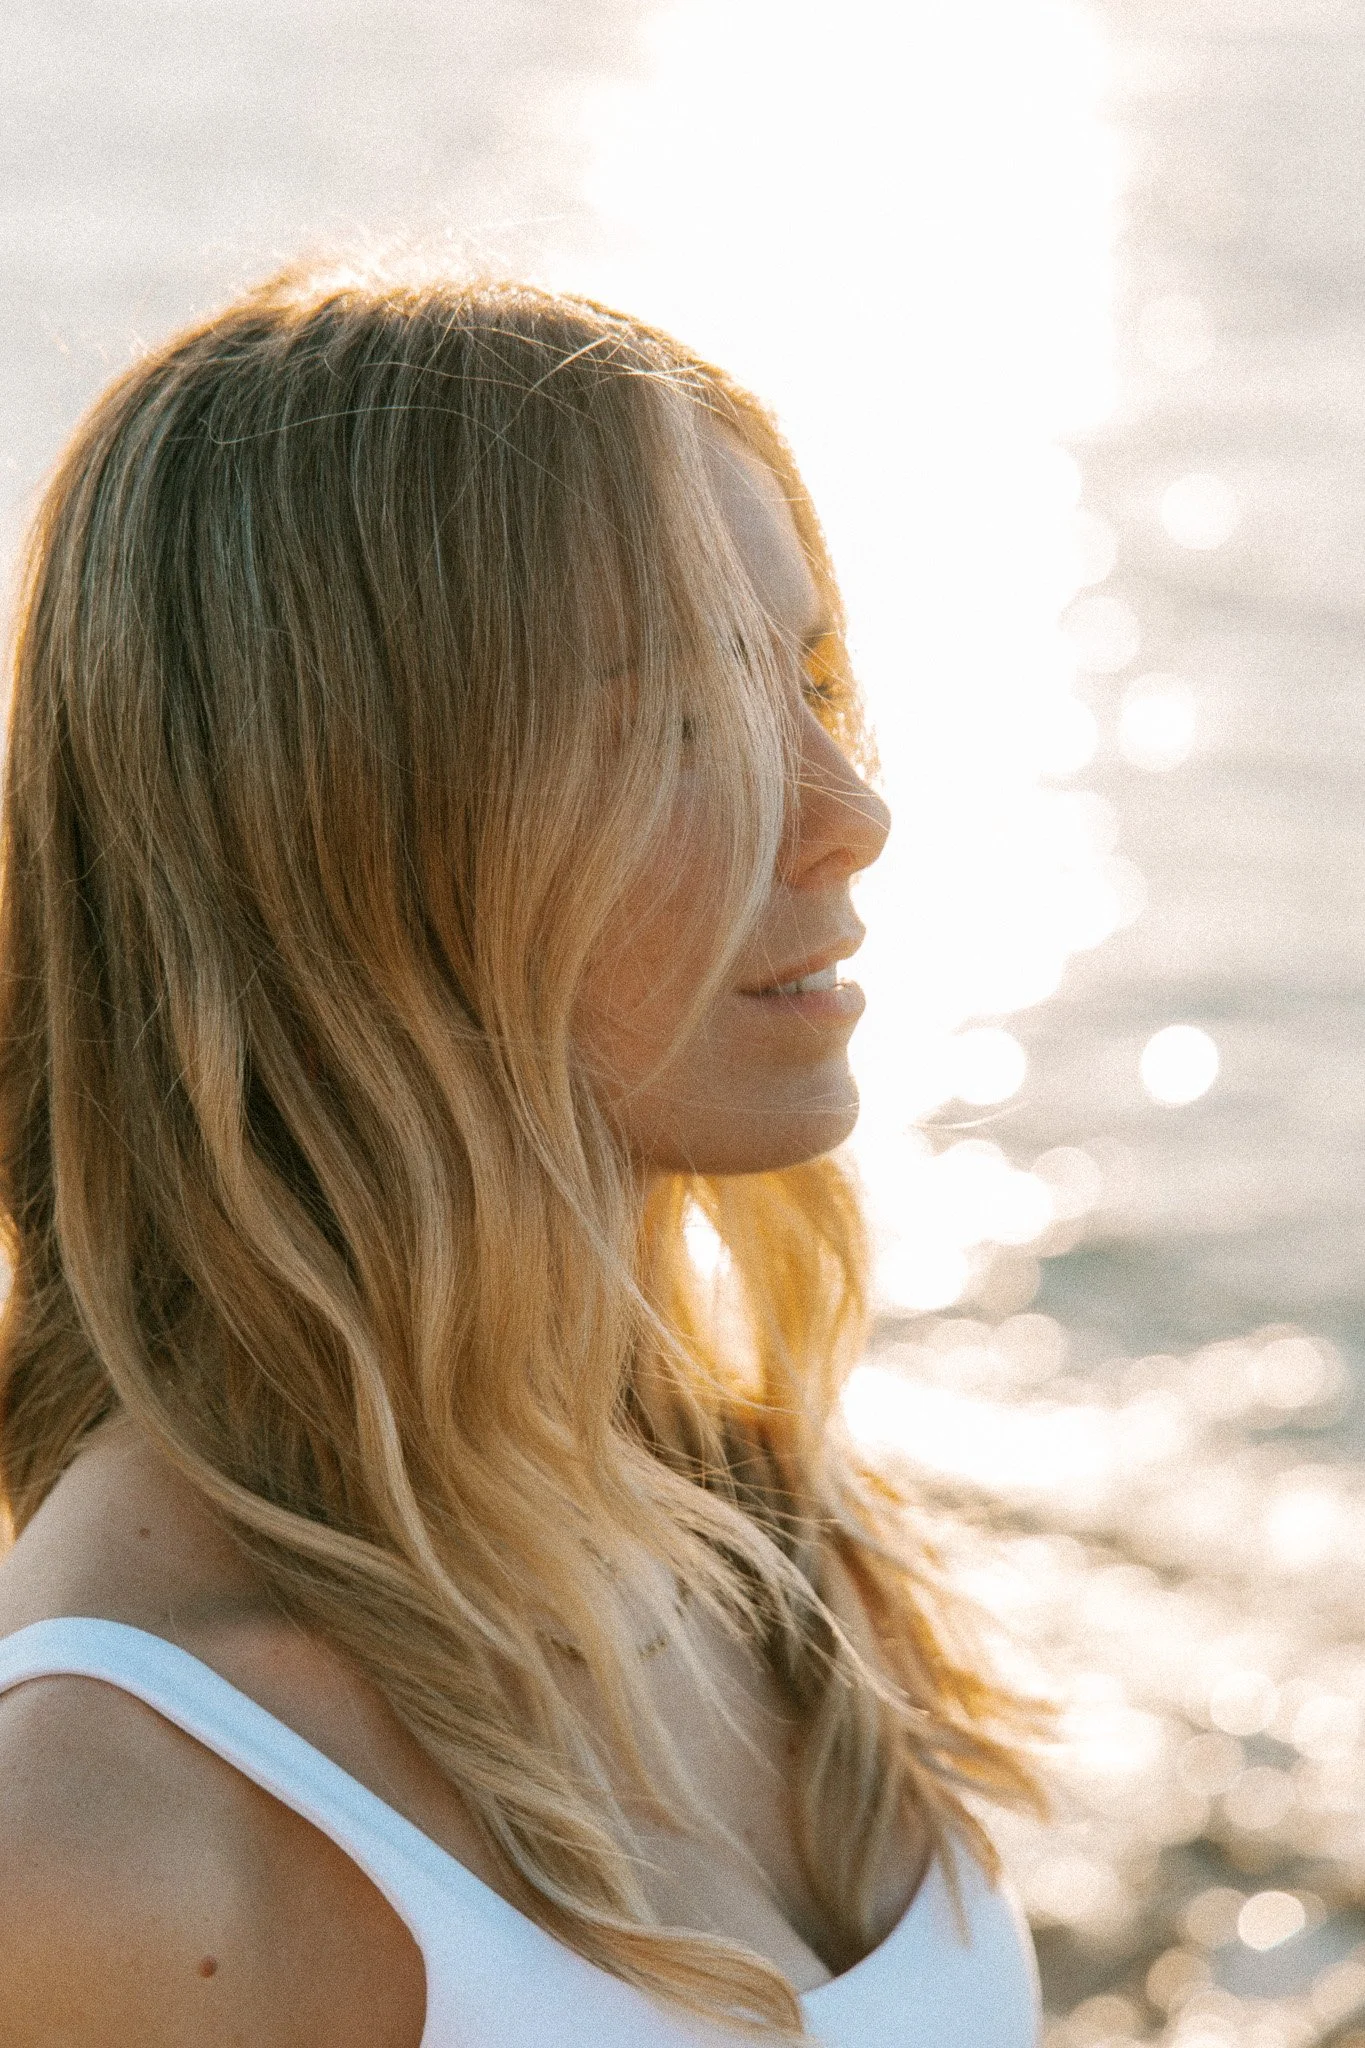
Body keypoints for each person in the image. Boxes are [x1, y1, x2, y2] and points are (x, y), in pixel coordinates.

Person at [0, 265, 1043, 2046]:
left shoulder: (768, 1529)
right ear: (332, 831)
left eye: (808, 678)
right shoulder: (108, 1835)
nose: (852, 811)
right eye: (675, 717)